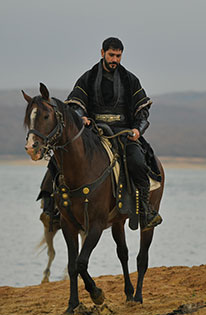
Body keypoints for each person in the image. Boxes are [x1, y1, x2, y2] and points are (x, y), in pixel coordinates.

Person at [38, 37, 162, 231]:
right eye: (111, 55)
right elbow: (75, 105)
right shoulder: (87, 77)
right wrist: (82, 117)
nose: (114, 60)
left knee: (138, 161)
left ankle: (146, 211)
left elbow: (143, 111)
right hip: (93, 132)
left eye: (118, 56)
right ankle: (50, 208)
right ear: (102, 53)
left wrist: (138, 130)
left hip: (124, 133)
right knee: (59, 157)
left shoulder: (130, 79)